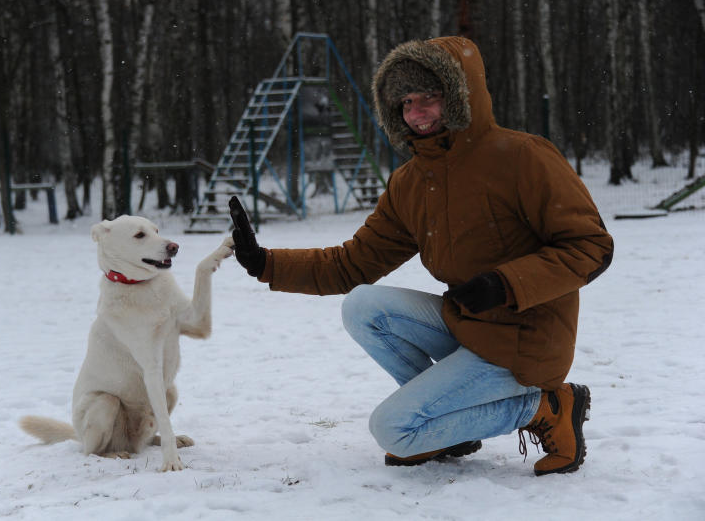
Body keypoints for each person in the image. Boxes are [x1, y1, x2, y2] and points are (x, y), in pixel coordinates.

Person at [229, 36, 613, 476]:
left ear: (460, 96)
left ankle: (545, 407)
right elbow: (352, 264)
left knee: (394, 431)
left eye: (430, 96)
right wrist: (265, 263)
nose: (417, 112)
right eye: (406, 101)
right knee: (363, 306)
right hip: (468, 324)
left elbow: (591, 247)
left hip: (527, 342)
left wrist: (506, 284)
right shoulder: (412, 181)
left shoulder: (522, 157)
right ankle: (453, 428)